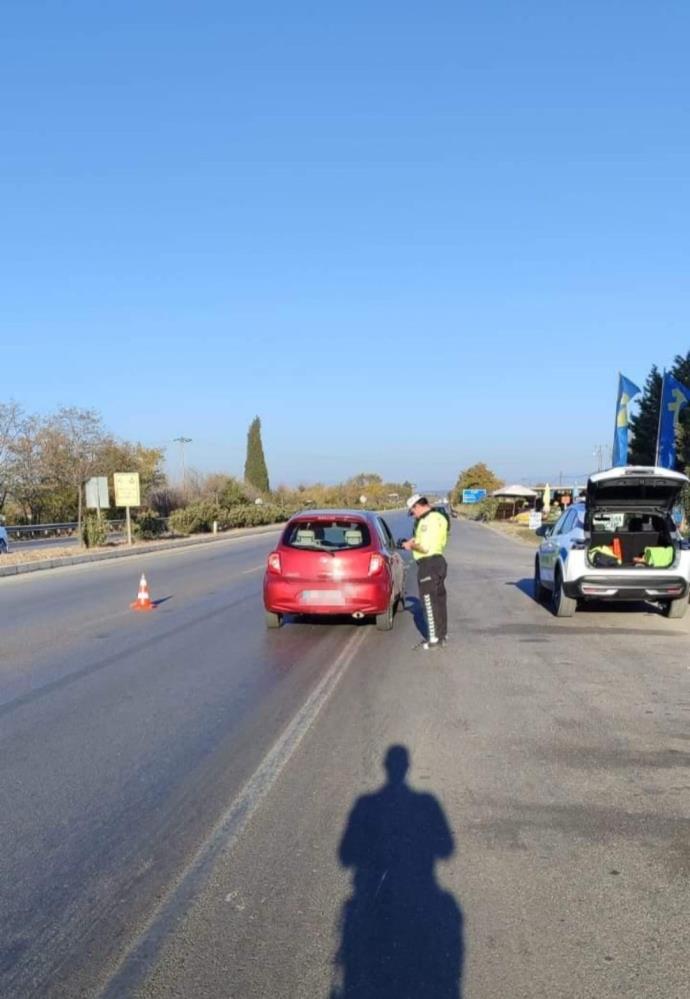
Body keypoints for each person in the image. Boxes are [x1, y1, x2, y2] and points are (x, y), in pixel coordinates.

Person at [402, 494, 449, 650]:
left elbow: (425, 547)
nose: (413, 515)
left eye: (412, 511)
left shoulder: (426, 521)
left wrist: (410, 545)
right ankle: (442, 635)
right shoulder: (440, 517)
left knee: (428, 602)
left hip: (428, 564)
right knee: (440, 601)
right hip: (439, 561)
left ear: (417, 506)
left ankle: (433, 639)